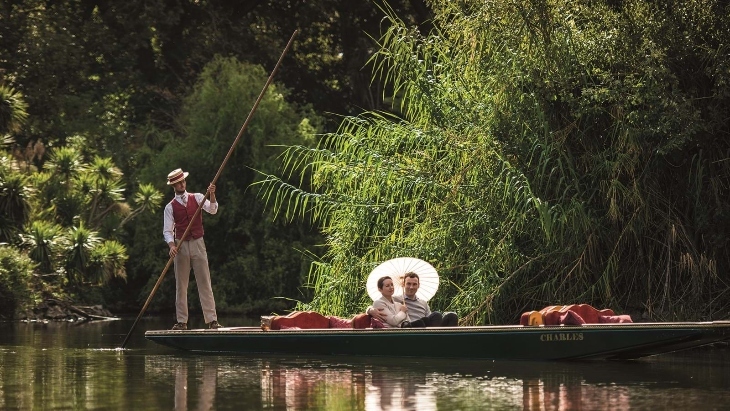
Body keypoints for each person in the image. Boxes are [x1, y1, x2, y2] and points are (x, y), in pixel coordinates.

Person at [163, 168, 222, 330]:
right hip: (180, 246)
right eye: (178, 183)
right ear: (173, 186)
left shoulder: (197, 198)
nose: (181, 184)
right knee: (181, 285)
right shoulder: (170, 207)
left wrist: (211, 194)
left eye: (183, 181)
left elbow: (213, 210)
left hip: (198, 243)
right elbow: (167, 231)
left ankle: (212, 320)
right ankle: (182, 322)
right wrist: (172, 245)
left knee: (204, 281)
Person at [368, 272, 458, 327]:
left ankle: (448, 341)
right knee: (437, 315)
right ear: (403, 285)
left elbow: (431, 319)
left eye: (414, 284)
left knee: (451, 315)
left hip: (426, 327)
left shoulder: (423, 303)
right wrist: (370, 310)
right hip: (412, 328)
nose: (411, 287)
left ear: (418, 285)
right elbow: (380, 304)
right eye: (408, 284)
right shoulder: (396, 300)